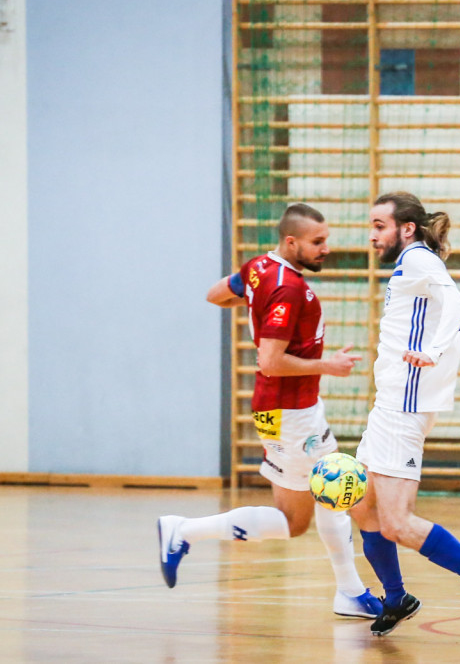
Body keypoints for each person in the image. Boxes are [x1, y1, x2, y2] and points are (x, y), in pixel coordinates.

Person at [157, 203, 383, 619]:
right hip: (291, 411)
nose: (325, 249)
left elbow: (216, 294)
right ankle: (350, 591)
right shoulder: (288, 288)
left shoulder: (262, 267)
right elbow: (270, 361)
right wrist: (326, 365)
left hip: (287, 409)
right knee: (338, 495)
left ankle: (183, 531)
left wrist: (253, 306)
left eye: (326, 240)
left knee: (307, 512)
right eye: (318, 242)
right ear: (291, 241)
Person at [348, 191, 460, 638]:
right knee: (362, 508)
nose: (372, 235)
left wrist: (431, 351)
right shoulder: (416, 267)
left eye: (379, 226)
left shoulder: (421, 262)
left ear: (406, 228)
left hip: (403, 410)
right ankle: (395, 597)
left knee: (397, 523)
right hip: (390, 407)